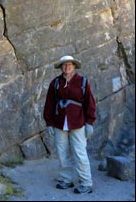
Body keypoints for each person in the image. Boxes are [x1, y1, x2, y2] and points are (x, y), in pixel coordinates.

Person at [43, 55, 97, 194]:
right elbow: (49, 103)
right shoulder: (55, 83)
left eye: (70, 64)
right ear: (61, 67)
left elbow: (89, 103)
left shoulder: (82, 82)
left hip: (78, 122)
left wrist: (90, 122)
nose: (67, 67)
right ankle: (66, 179)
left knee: (80, 153)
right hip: (59, 122)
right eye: (64, 65)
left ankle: (86, 183)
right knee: (62, 153)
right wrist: (49, 122)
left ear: (74, 66)